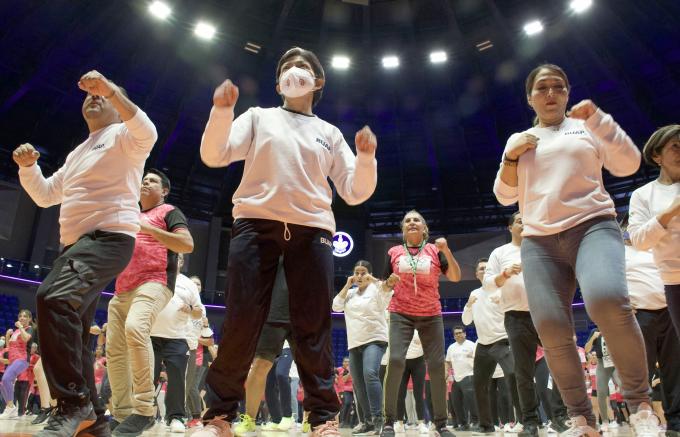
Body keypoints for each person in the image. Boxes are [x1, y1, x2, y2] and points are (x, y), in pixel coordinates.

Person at [194, 46, 378, 437]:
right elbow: (215, 155)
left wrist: (365, 159)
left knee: (314, 326)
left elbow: (354, 192)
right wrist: (222, 112)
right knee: (242, 321)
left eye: (303, 66)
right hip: (255, 225)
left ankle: (323, 418)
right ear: (278, 82)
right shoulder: (258, 117)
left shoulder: (329, 133)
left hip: (312, 233)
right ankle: (219, 416)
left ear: (318, 81)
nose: (294, 70)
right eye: (287, 66)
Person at [493, 63, 655, 436]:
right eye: (542, 88)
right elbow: (504, 195)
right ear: (530, 97)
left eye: (558, 87)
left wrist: (600, 121)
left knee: (608, 300)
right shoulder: (520, 138)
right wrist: (511, 157)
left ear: (567, 92)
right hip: (539, 242)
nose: (551, 94)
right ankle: (581, 417)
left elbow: (628, 163)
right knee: (550, 327)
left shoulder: (587, 125)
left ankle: (640, 405)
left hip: (592, 226)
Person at [14, 70, 157, 437]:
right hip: (76, 248)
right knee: (73, 333)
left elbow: (148, 131)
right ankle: (95, 419)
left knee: (51, 296)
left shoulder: (126, 136)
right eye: (90, 95)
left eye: (103, 97)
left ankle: (73, 403)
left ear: (117, 104)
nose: (94, 98)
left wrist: (110, 87)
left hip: (108, 239)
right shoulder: (78, 151)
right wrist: (29, 169)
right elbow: (46, 195)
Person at [107, 169, 194, 437]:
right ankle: (122, 413)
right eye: (143, 179)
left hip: (155, 281)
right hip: (122, 288)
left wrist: (145, 227)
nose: (145, 182)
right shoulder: (128, 214)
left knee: (136, 328)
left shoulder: (169, 211)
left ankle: (144, 409)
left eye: (153, 181)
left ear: (165, 190)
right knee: (115, 350)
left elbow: (187, 244)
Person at [482, 212, 568, 437]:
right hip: (516, 316)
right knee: (523, 372)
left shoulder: (544, 245)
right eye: (519, 220)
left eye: (527, 220)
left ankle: (561, 417)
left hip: (546, 313)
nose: (524, 223)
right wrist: (504, 274)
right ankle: (530, 421)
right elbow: (489, 285)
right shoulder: (499, 253)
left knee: (562, 364)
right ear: (510, 227)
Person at [380, 210, 461, 437]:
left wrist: (446, 250)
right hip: (400, 313)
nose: (412, 223)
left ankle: (441, 424)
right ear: (403, 229)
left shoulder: (435, 250)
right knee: (395, 361)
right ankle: (388, 422)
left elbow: (455, 276)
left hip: (431, 314)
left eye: (416, 220)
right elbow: (383, 284)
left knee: (435, 366)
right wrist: (389, 282)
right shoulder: (393, 252)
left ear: (424, 229)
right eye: (407, 221)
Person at [622, 222, 680, 435]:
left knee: (674, 370)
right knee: (641, 372)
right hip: (640, 316)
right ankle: (642, 417)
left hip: (670, 312)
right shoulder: (619, 252)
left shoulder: (657, 247)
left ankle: (675, 422)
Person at [232, 258, 296, 436]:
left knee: (309, 370)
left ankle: (312, 421)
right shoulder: (270, 247)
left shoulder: (309, 245)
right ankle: (249, 420)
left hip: (302, 313)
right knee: (260, 365)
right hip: (273, 314)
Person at [628, 125, 680, 342]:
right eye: (675, 146)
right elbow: (638, 241)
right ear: (657, 155)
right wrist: (668, 213)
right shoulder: (643, 195)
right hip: (674, 281)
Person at [333, 260, 392, 434]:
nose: (359, 276)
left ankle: (378, 418)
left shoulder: (376, 289)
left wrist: (372, 279)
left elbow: (388, 291)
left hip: (375, 340)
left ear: (369, 273)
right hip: (355, 343)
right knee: (358, 384)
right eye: (356, 272)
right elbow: (336, 306)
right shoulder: (349, 294)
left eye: (363, 272)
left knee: (370, 374)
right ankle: (367, 421)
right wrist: (347, 284)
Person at [462, 259, 520, 435]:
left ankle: (524, 421)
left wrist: (502, 301)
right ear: (477, 274)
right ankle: (486, 426)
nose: (484, 270)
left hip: (502, 340)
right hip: (483, 345)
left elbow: (515, 312)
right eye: (481, 268)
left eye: (487, 268)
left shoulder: (501, 290)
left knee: (513, 375)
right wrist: (469, 305)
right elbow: (466, 321)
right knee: (479, 385)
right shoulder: (474, 293)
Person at [150, 253, 204, 433]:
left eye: (179, 257)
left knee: (177, 380)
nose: (174, 259)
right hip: (151, 335)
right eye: (171, 255)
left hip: (177, 337)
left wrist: (189, 309)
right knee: (147, 378)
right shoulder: (153, 276)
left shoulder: (188, 284)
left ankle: (176, 417)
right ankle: (143, 414)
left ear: (182, 262)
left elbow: (199, 312)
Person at [0, 310, 34, 420]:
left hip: (22, 359)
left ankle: (10, 407)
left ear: (29, 319)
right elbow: (10, 346)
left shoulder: (29, 329)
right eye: (20, 316)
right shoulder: (15, 332)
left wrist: (20, 327)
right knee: (2, 384)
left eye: (25, 316)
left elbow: (25, 339)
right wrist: (8, 334)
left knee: (6, 379)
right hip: (12, 360)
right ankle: (11, 408)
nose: (22, 318)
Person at [445, 326, 477, 431]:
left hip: (469, 376)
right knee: (456, 403)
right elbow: (448, 362)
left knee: (471, 401)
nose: (458, 335)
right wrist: (446, 374)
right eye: (456, 334)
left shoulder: (472, 345)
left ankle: (476, 422)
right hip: (456, 378)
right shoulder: (451, 347)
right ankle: (464, 424)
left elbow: (478, 360)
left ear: (465, 334)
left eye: (460, 333)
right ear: (453, 336)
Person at [185, 275, 207, 429]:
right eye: (193, 283)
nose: (196, 286)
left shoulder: (202, 309)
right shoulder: (182, 304)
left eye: (198, 284)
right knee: (185, 386)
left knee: (191, 386)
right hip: (182, 352)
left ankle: (196, 417)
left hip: (197, 355)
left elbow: (206, 335)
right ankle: (187, 416)